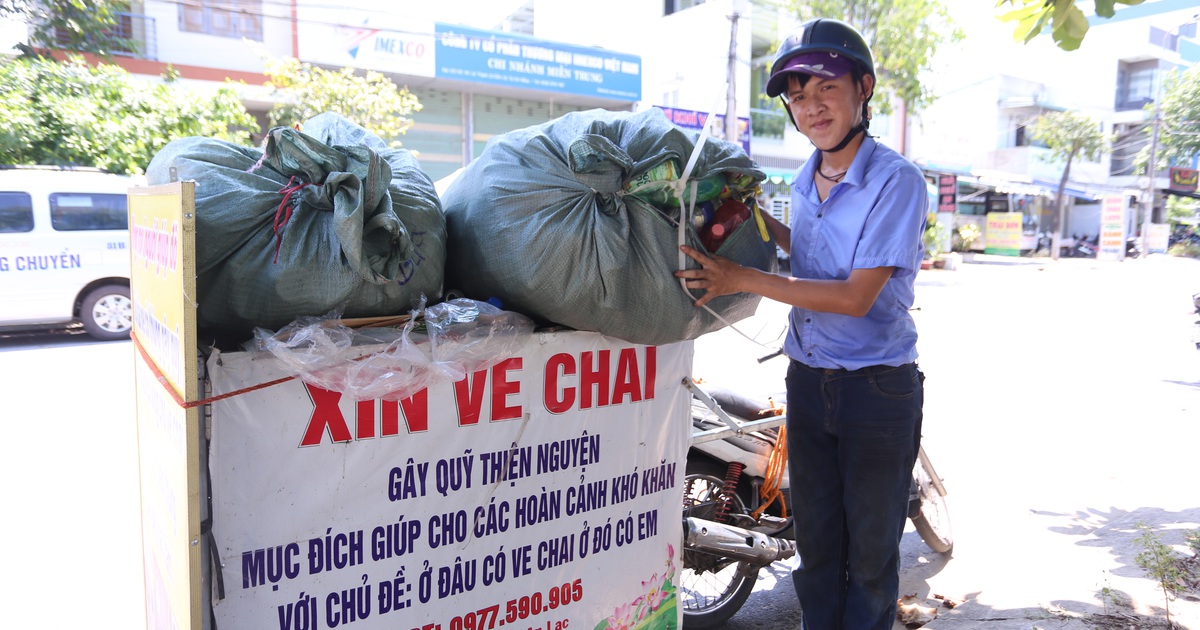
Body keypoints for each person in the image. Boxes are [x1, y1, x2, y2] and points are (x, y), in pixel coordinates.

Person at [675, 17, 928, 630]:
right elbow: (807, 255)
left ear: (862, 88)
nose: (811, 107)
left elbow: (854, 296)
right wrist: (752, 221)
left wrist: (739, 280)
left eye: (825, 89)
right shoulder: (804, 177)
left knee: (869, 556)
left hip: (876, 389)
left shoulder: (896, 182)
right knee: (816, 547)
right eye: (797, 95)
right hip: (809, 382)